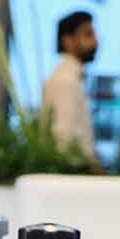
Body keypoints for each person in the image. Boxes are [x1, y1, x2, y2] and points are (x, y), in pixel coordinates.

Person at [42, 10, 99, 158]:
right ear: (67, 40)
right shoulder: (66, 81)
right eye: (88, 35)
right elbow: (63, 142)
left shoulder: (72, 77)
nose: (95, 42)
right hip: (73, 170)